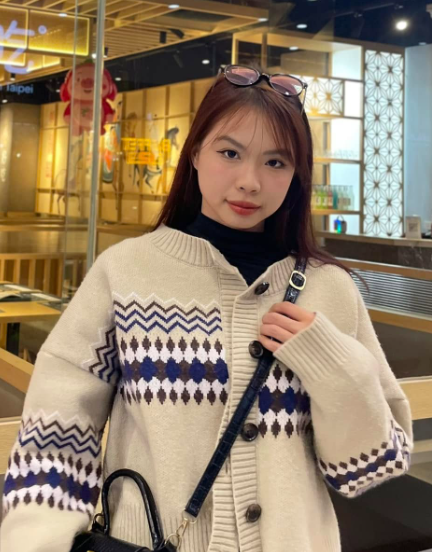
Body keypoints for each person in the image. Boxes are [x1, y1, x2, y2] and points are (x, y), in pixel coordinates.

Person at [1, 65, 412, 552]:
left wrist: (334, 367)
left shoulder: (330, 289)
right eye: (230, 153)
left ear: (297, 175)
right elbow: (54, 436)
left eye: (275, 162)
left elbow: (369, 469)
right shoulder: (126, 273)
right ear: (195, 152)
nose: (250, 182)